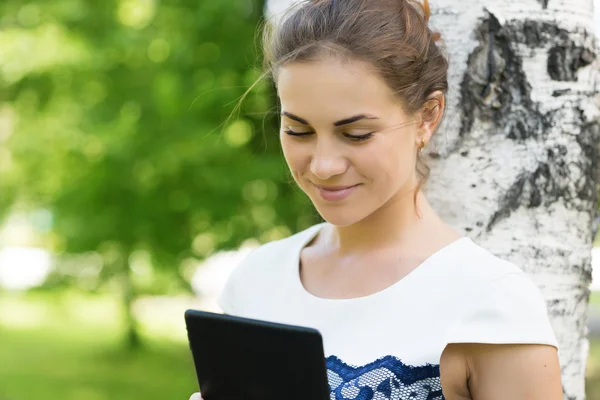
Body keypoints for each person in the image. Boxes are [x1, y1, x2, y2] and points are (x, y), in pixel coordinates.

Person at [189, 0, 563, 398]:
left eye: (356, 134)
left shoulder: (490, 300)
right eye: (298, 131)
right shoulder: (257, 280)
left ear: (427, 117)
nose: (323, 165)